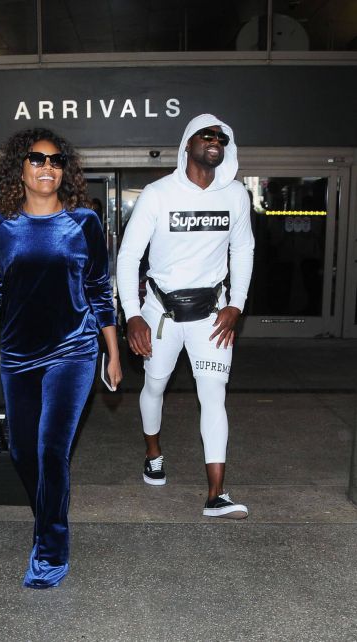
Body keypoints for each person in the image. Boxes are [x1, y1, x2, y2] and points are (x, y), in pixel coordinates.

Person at [0, 127, 122, 589]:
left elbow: (98, 292)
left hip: (74, 350)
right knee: (22, 450)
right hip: (18, 355)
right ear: (19, 169)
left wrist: (113, 352)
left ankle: (50, 550)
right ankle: (50, 511)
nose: (47, 167)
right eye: (37, 159)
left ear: (64, 170)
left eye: (56, 161)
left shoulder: (84, 222)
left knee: (51, 451)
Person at [117, 113, 254, 519]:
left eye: (222, 137)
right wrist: (132, 315)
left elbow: (243, 250)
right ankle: (154, 453)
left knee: (213, 395)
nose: (216, 141)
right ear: (188, 143)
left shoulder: (235, 196)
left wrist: (236, 304)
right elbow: (128, 256)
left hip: (211, 315)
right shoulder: (159, 194)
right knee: (155, 386)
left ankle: (217, 495)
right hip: (159, 312)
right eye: (207, 135)